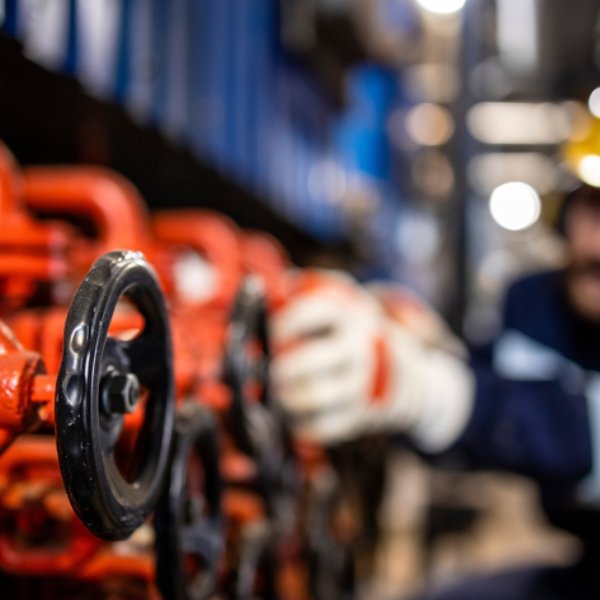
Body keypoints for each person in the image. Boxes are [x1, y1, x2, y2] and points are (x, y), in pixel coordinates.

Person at [271, 179, 600, 598]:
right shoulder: (537, 302)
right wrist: (421, 347)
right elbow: (493, 389)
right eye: (593, 209)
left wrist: (435, 393)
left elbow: (576, 431)